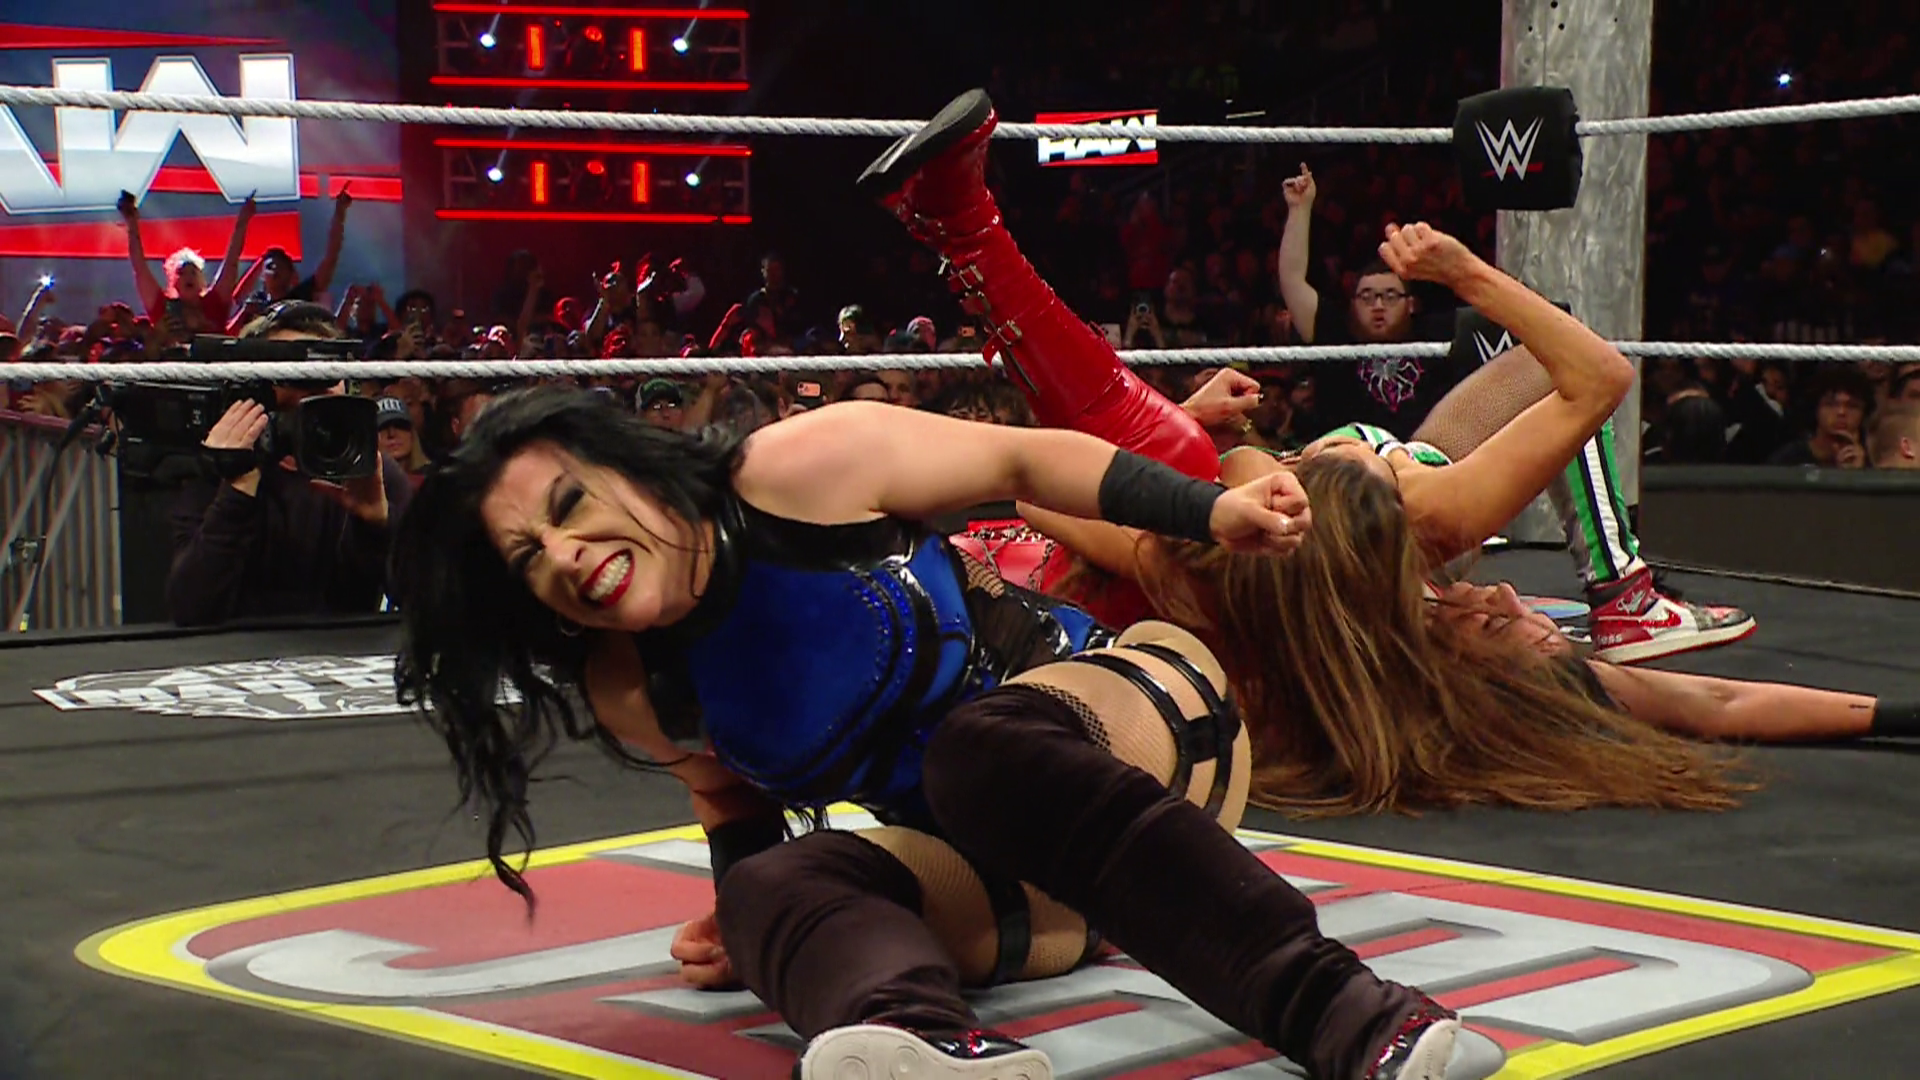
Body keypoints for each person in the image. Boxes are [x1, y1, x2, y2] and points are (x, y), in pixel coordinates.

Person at [866, 89, 1916, 815]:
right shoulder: (1414, 545)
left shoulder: (1309, 587)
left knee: (1169, 453)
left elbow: (1050, 492)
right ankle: (1622, 587)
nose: (1507, 599)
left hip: (1045, 591)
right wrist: (1899, 712)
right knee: (1192, 452)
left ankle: (966, 230)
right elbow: (1717, 702)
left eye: (1508, 630)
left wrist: (1214, 463)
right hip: (1139, 543)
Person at [389, 382, 1460, 1080]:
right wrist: (761, 930)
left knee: (980, 752)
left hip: (1146, 729)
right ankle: (926, 1046)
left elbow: (1027, 462)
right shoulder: (634, 686)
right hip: (1025, 882)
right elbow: (728, 798)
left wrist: (1204, 511)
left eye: (568, 507)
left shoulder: (798, 472)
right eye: (528, 559)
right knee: (771, 887)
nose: (565, 556)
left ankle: (1352, 1015)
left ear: (628, 463)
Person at [1277, 162, 1754, 664]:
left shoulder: (1433, 336)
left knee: (1552, 366)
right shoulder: (1341, 344)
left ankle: (1623, 595)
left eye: (1389, 295)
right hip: (1395, 513)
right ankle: (1623, 597)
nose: (1377, 306)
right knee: (1570, 372)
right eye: (1367, 297)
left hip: (1394, 489)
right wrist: (1463, 271)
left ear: (1411, 305)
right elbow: (1599, 374)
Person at [165, 301, 411, 626]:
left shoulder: (369, 471)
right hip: (238, 652)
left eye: (326, 374)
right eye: (294, 375)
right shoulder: (216, 470)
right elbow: (190, 608)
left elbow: (425, 599)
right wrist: (238, 488)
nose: (314, 389)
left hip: (344, 652)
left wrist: (378, 526)